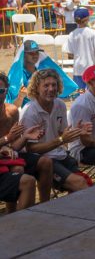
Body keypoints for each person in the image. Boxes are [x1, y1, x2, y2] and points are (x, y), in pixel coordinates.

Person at [21, 69, 92, 193]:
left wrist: (77, 132)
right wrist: (61, 140)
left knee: (85, 182)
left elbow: (61, 133)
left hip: (60, 154)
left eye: (54, 85)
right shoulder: (30, 112)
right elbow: (31, 149)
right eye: (46, 85)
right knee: (79, 183)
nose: (51, 89)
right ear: (36, 88)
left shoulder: (60, 104)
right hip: (42, 161)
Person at [0, 72, 49, 210]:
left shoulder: (12, 111)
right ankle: (14, 213)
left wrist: (25, 137)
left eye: (1, 91)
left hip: (7, 155)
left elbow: (14, 146)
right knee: (18, 169)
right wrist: (6, 140)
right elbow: (8, 139)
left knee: (45, 161)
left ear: (7, 91)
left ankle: (46, 206)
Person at [66, 8, 95, 90]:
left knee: (80, 93)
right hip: (91, 68)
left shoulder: (72, 34)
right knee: (93, 92)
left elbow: (70, 54)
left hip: (78, 68)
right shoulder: (93, 33)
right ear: (87, 19)